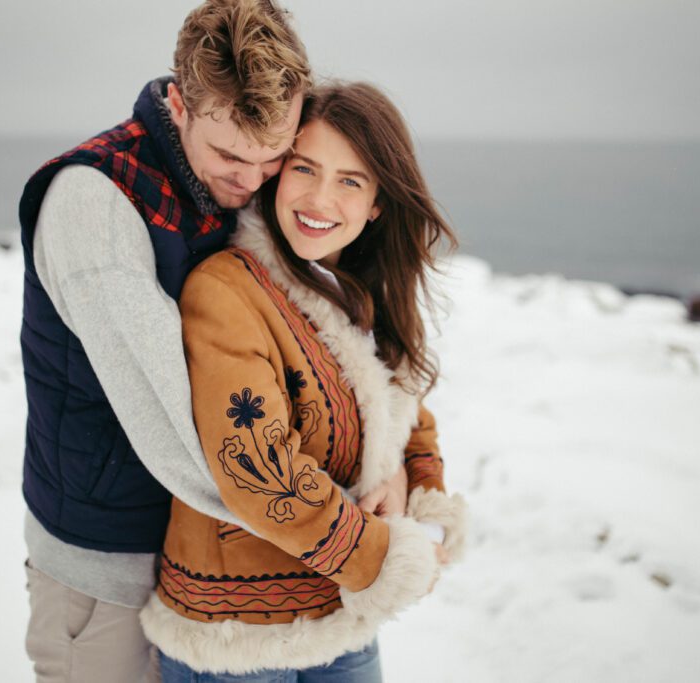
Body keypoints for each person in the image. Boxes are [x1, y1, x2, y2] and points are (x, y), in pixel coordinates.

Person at [15, 2, 317, 680]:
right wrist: (327, 522)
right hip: (107, 573)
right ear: (179, 104)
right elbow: (173, 422)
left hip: (207, 556)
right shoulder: (94, 203)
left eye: (273, 161)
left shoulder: (237, 180)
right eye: (231, 156)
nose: (251, 182)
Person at [140, 82, 468, 682]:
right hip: (239, 638)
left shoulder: (358, 293)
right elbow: (258, 469)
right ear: (276, 173)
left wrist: (418, 497)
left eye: (351, 180)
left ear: (376, 204)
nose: (321, 198)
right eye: (305, 168)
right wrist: (384, 559)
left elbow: (407, 412)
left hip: (341, 621)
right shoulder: (225, 290)